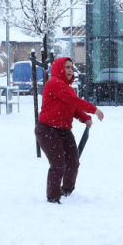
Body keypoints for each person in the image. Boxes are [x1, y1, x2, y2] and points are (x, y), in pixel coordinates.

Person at [35, 57, 104, 203]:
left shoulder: (69, 89)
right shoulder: (54, 83)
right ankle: (53, 197)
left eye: (72, 67)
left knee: (73, 162)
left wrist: (85, 117)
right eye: (67, 67)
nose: (71, 70)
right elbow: (74, 101)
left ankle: (66, 191)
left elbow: (74, 108)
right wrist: (94, 110)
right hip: (47, 129)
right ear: (59, 68)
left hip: (64, 130)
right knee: (58, 164)